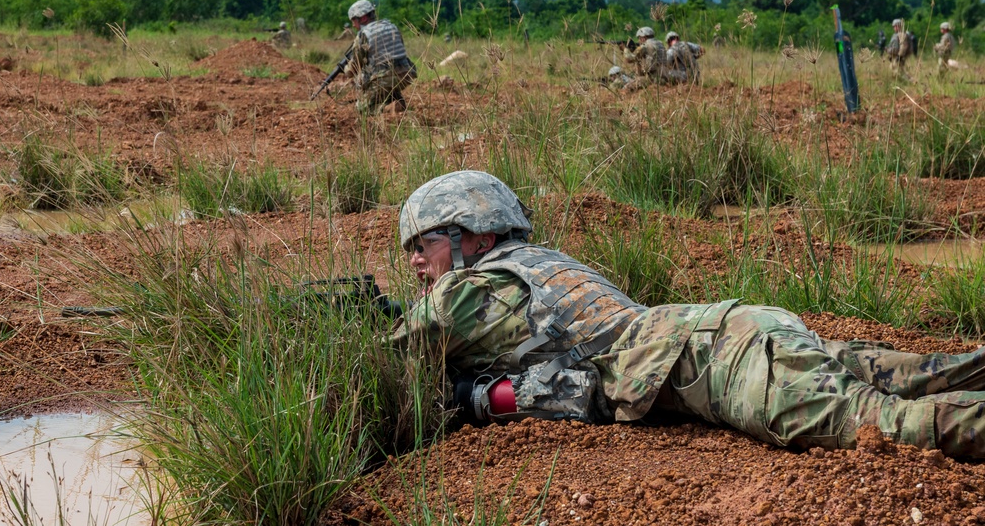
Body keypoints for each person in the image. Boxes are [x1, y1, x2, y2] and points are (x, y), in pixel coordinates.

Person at [392, 170, 985, 458]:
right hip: (737, 330)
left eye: (425, 244)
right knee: (924, 372)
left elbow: (388, 359)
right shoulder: (546, 263)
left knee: (886, 425)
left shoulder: (461, 293)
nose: (417, 262)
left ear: (476, 236)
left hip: (718, 360)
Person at [347, 0, 417, 114]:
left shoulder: (363, 34)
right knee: (387, 88)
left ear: (363, 18)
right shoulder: (392, 26)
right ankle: (398, 103)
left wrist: (346, 70)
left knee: (361, 108)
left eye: (354, 20)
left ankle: (386, 109)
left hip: (384, 79)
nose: (353, 25)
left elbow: (355, 66)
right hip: (406, 75)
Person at [619, 26, 666, 91]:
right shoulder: (660, 43)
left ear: (644, 37)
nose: (639, 40)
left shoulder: (645, 46)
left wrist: (625, 49)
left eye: (639, 38)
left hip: (652, 79)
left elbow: (629, 59)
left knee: (626, 88)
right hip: (664, 77)